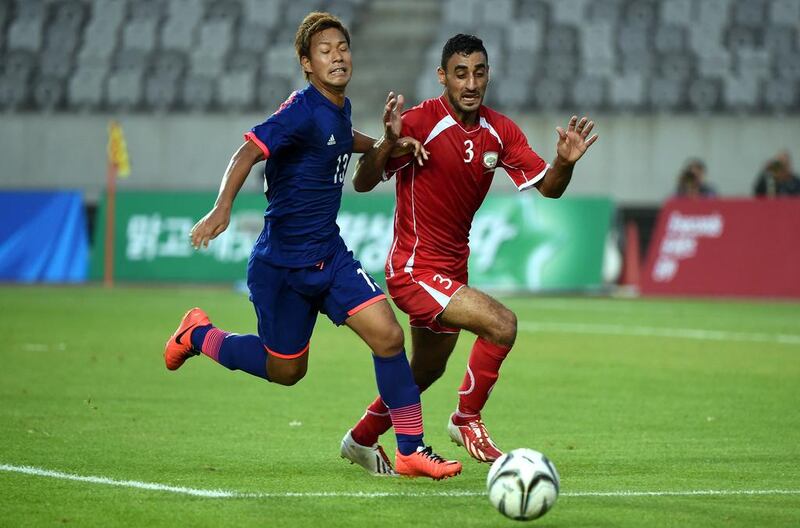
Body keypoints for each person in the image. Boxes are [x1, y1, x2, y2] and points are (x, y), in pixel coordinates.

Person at [163, 12, 461, 480]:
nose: (338, 56)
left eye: (342, 47)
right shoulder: (301, 110)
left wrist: (388, 143)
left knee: (388, 336)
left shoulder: (337, 108)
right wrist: (221, 208)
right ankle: (198, 335)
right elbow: (247, 150)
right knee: (286, 371)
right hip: (282, 266)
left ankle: (410, 449)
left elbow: (343, 139)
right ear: (306, 63)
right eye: (325, 51)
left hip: (330, 255)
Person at [339, 34, 598, 474]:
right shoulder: (421, 120)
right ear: (443, 77)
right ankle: (466, 419)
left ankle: (359, 439)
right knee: (502, 325)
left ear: (488, 76)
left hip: (451, 272)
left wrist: (565, 163)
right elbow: (363, 183)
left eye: (479, 72)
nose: (471, 82)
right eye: (460, 73)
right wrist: (387, 142)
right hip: (414, 269)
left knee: (423, 372)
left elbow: (550, 189)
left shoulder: (501, 130)